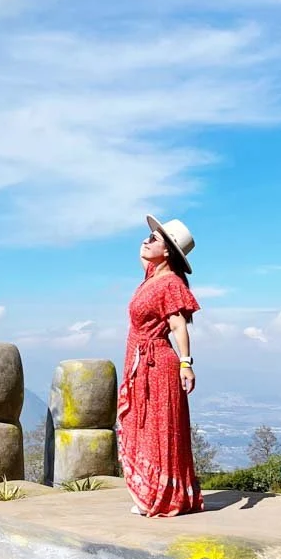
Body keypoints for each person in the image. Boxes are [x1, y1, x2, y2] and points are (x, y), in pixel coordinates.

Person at [117, 215, 204, 516]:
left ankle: (165, 496)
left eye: (154, 239)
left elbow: (179, 326)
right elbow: (142, 254)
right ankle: (152, 491)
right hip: (141, 363)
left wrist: (186, 364)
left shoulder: (169, 283)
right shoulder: (151, 278)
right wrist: (154, 240)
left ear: (167, 251)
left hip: (159, 363)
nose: (146, 240)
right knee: (143, 426)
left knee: (159, 428)